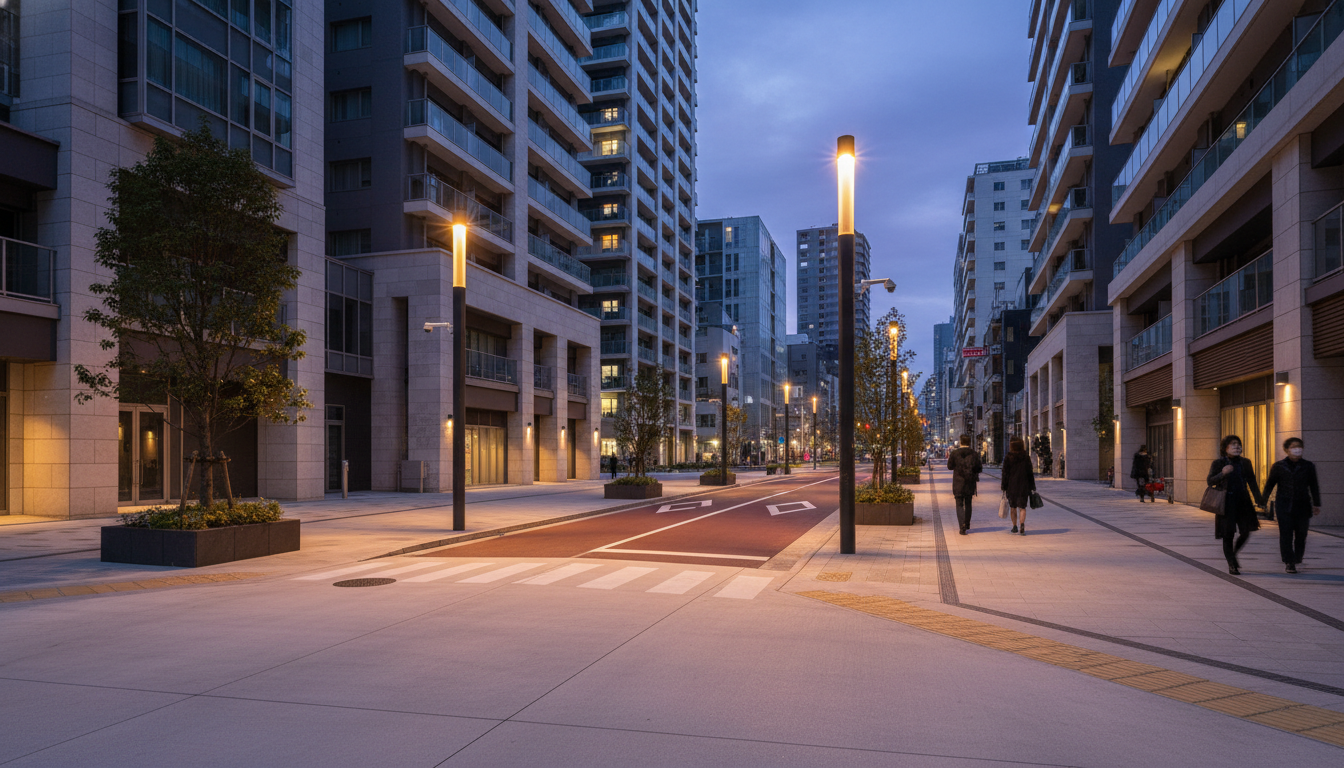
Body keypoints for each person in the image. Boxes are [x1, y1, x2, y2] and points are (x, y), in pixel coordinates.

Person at [1261, 437, 1321, 574]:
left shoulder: (1308, 466)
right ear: (1287, 450)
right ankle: (1289, 562)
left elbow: (1314, 486)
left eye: (1299, 446)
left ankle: (1298, 557)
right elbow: (1270, 484)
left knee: (1301, 534)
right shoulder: (1279, 466)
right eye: (1294, 446)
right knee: (1286, 534)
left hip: (1303, 505)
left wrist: (1316, 504)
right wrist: (1263, 501)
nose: (1297, 449)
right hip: (1284, 505)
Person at [1207, 434, 1264, 575]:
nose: (1237, 447)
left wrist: (1259, 500)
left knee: (1246, 531)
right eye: (1233, 444)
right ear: (1225, 448)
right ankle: (1231, 564)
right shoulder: (1218, 463)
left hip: (1243, 501)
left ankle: (1233, 553)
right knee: (1228, 534)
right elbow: (1210, 481)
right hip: (1226, 502)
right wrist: (1223, 473)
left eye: (1238, 444)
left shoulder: (1245, 462)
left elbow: (1252, 481)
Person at [947, 434, 983, 535]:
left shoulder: (955, 453)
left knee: (959, 504)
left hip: (958, 483)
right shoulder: (974, 454)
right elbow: (979, 468)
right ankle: (967, 524)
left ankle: (961, 525)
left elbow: (949, 466)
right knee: (968, 503)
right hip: (970, 482)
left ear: (961, 442)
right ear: (969, 442)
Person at [1001, 437, 1036, 535]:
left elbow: (1005, 473)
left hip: (1011, 485)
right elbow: (1030, 473)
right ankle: (1022, 524)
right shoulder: (1026, 456)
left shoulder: (1008, 457)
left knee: (1013, 507)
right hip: (1024, 485)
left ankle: (1014, 526)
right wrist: (1032, 486)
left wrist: (1004, 486)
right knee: (1022, 507)